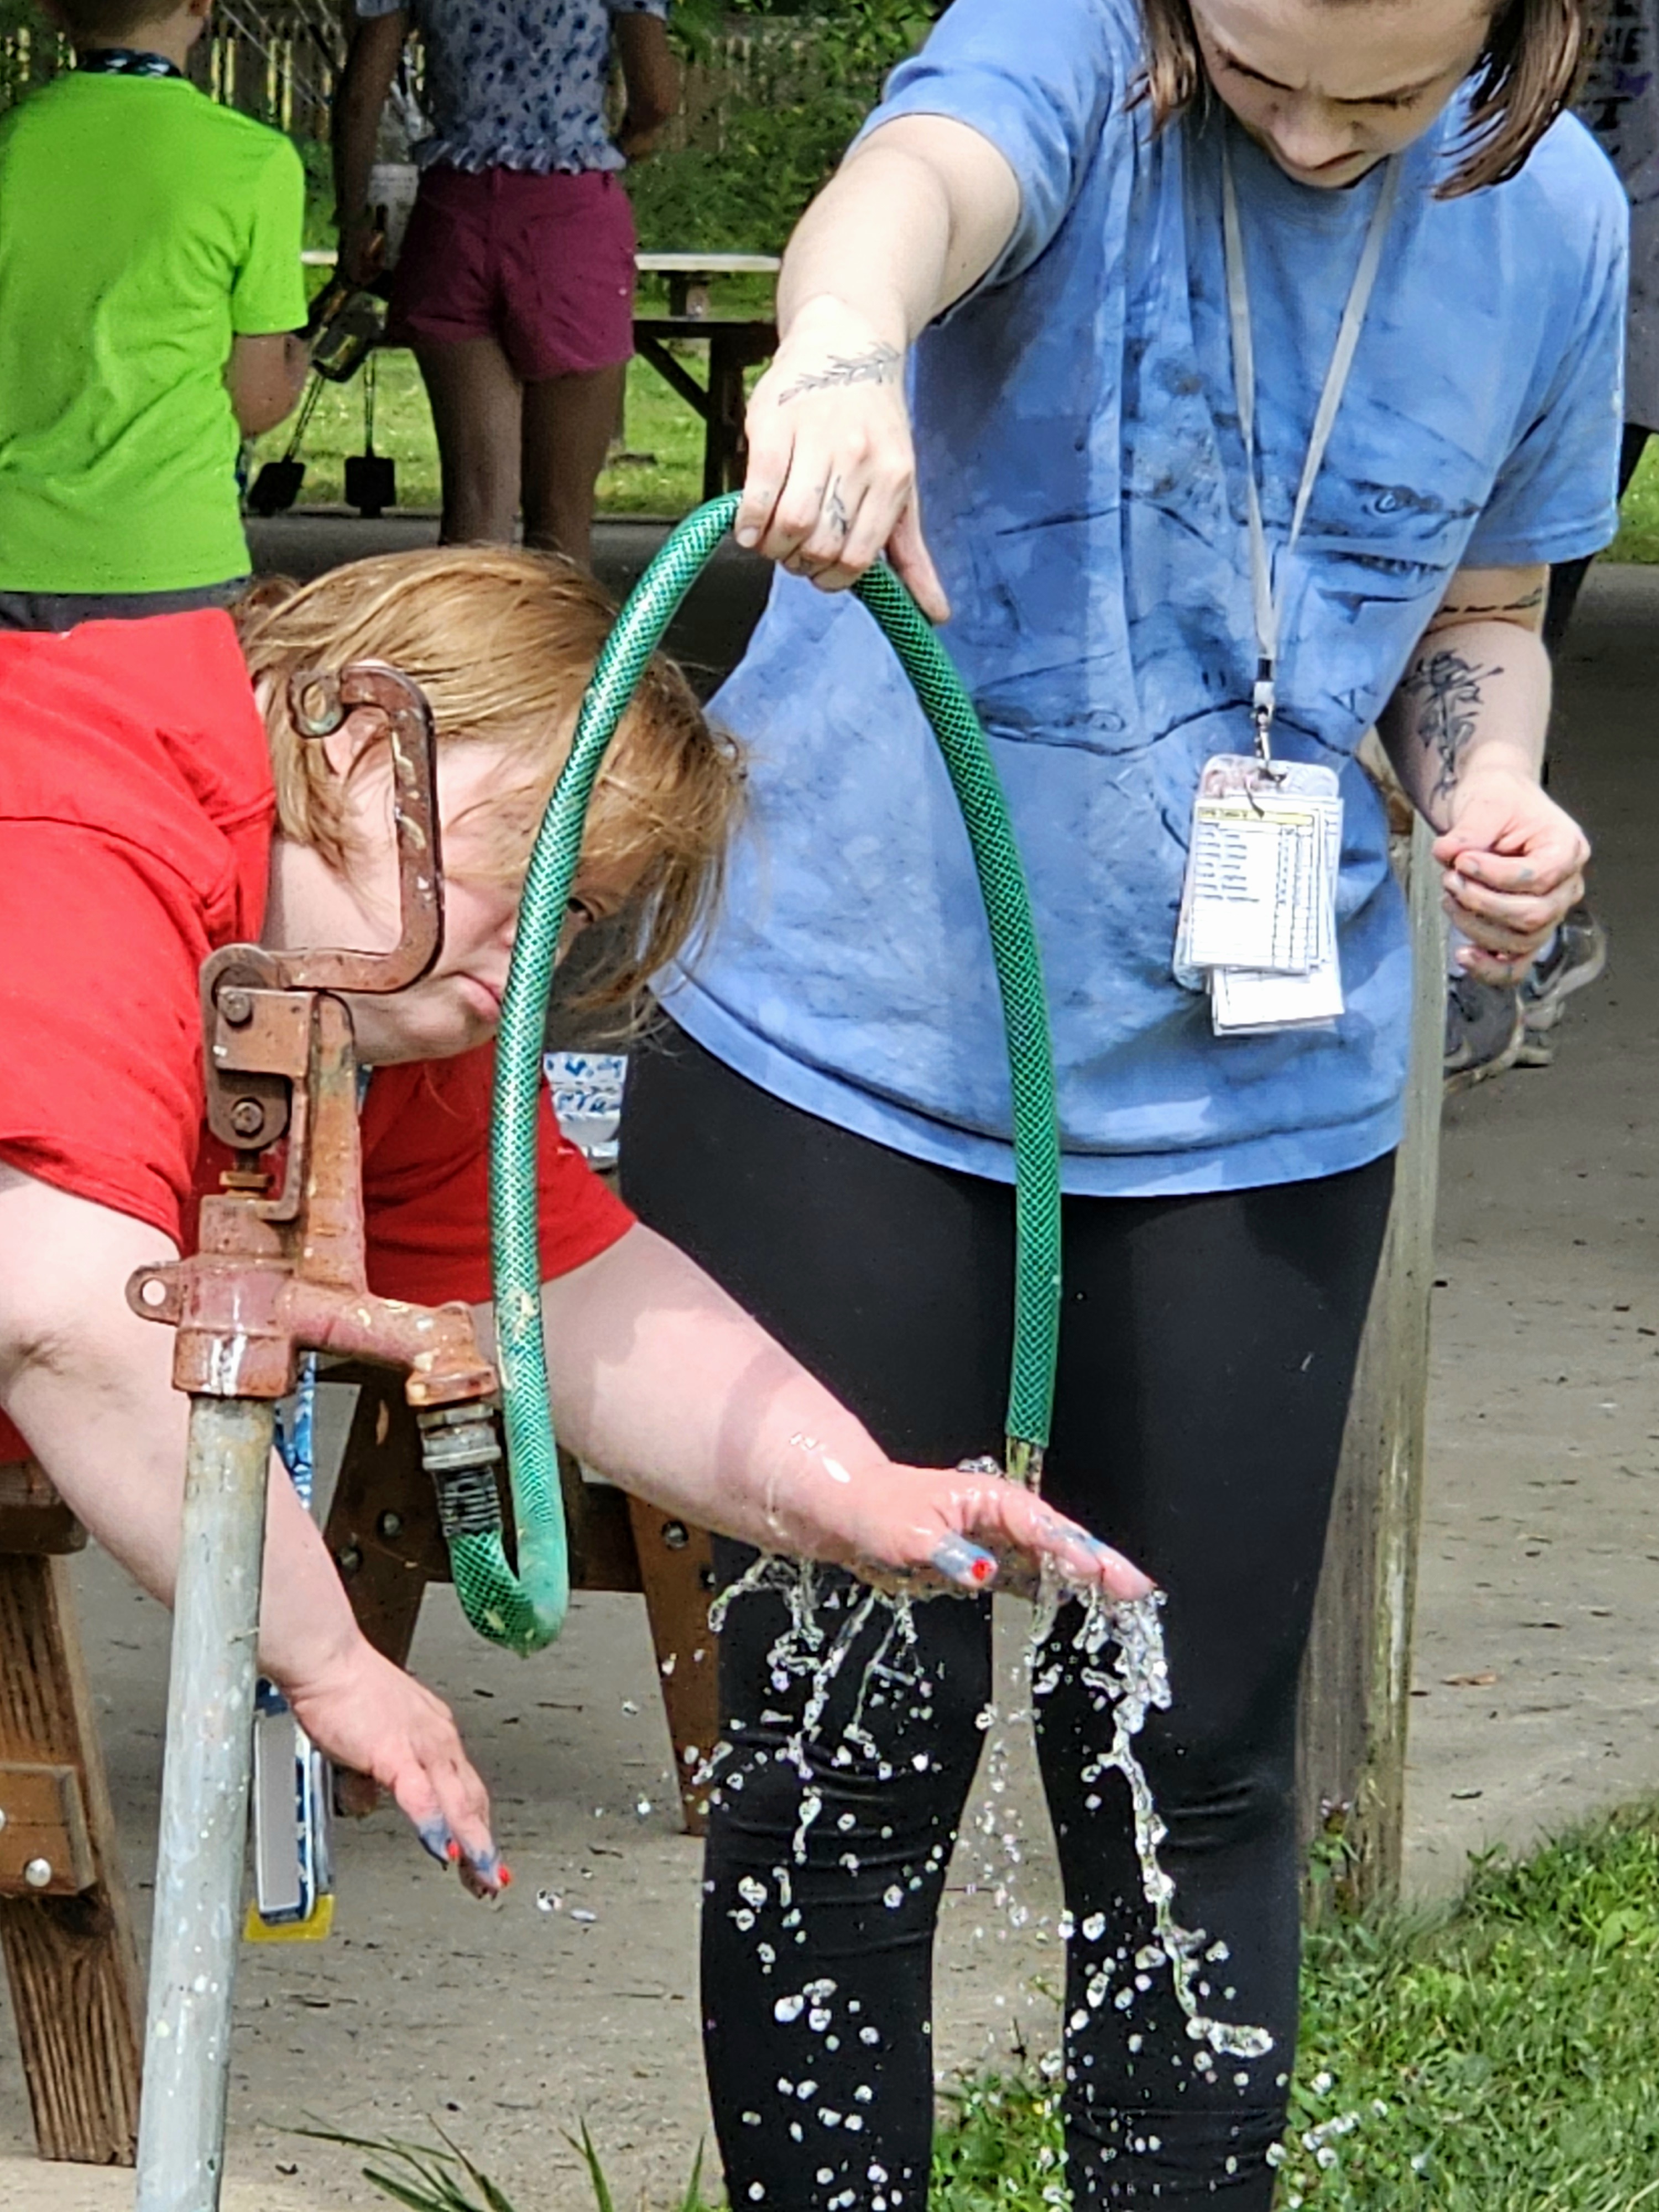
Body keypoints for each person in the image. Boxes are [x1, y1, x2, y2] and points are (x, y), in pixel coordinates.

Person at [615, 0, 1619, 2201]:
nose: (1315, 137)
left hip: (1254, 1106)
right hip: (850, 1060)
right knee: (852, 1757)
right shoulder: (1070, 50)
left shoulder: (1554, 215)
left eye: (1385, 98)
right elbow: (906, 195)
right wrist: (842, 354)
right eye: (1264, 76)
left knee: (1195, 1763)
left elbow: (1489, 605)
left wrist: (1494, 782)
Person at [0, 552, 1146, 1895]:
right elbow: (65, 1308)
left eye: (577, 911)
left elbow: (567, 1290)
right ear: (366, 738)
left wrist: (856, 1491)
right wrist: (329, 1658)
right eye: (532, 871)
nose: (536, 957)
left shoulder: (378, 980)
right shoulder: (86, 816)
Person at [1445, 0, 1659, 1087]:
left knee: (1509, 607)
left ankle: (1510, 952)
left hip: (1598, 304)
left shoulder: (1566, 198)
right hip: (1522, 289)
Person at [330, 0, 679, 566]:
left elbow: (359, 98)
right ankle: (559, 627)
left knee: (475, 509)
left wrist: (352, 223)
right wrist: (627, 142)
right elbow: (657, 97)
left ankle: (466, 626)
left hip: (453, 211)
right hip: (569, 212)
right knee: (560, 521)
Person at [0, 0, 309, 629]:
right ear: (201, 3)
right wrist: (296, 365)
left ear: (51, 8)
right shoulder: (255, 162)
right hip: (172, 557)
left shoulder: (11, 146)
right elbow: (256, 402)